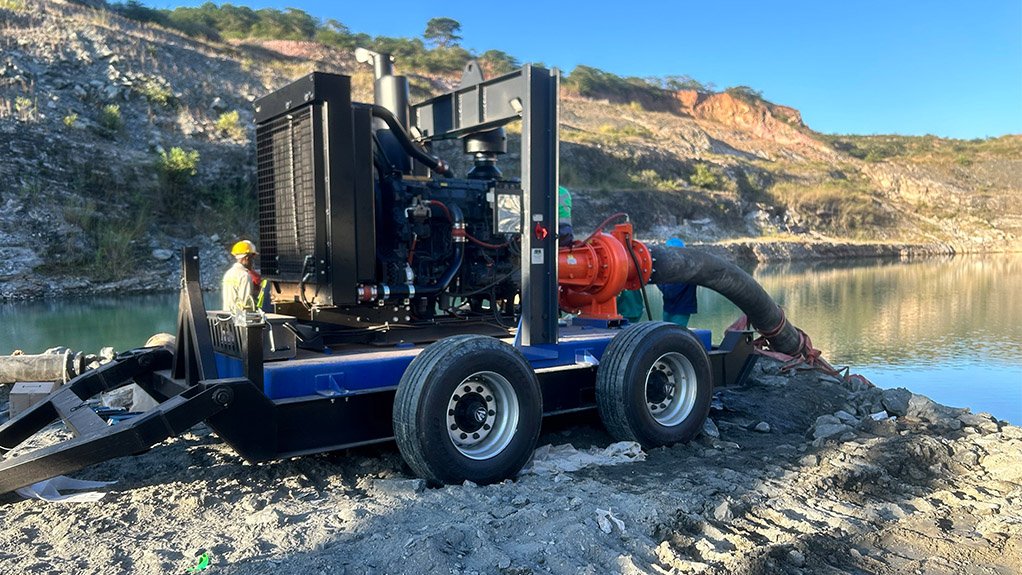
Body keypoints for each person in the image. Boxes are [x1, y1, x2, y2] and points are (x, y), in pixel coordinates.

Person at [658, 237, 698, 327]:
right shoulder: (670, 269)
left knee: (674, 334)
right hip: (669, 307)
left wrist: (658, 280)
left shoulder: (686, 271)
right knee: (666, 332)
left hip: (681, 310)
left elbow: (670, 292)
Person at [222, 240, 264, 313]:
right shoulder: (244, 276)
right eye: (252, 258)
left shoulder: (228, 274)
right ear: (247, 258)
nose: (252, 262)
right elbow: (245, 304)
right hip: (239, 320)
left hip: (227, 318)